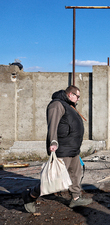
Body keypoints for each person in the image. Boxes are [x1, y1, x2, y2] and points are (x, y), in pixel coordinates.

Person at [22, 85, 92, 213]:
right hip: (62, 148)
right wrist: (53, 142)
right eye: (77, 96)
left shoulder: (69, 106)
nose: (78, 99)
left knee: (75, 174)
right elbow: (52, 125)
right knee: (54, 179)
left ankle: (76, 198)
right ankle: (30, 196)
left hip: (73, 149)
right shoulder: (57, 105)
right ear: (70, 94)